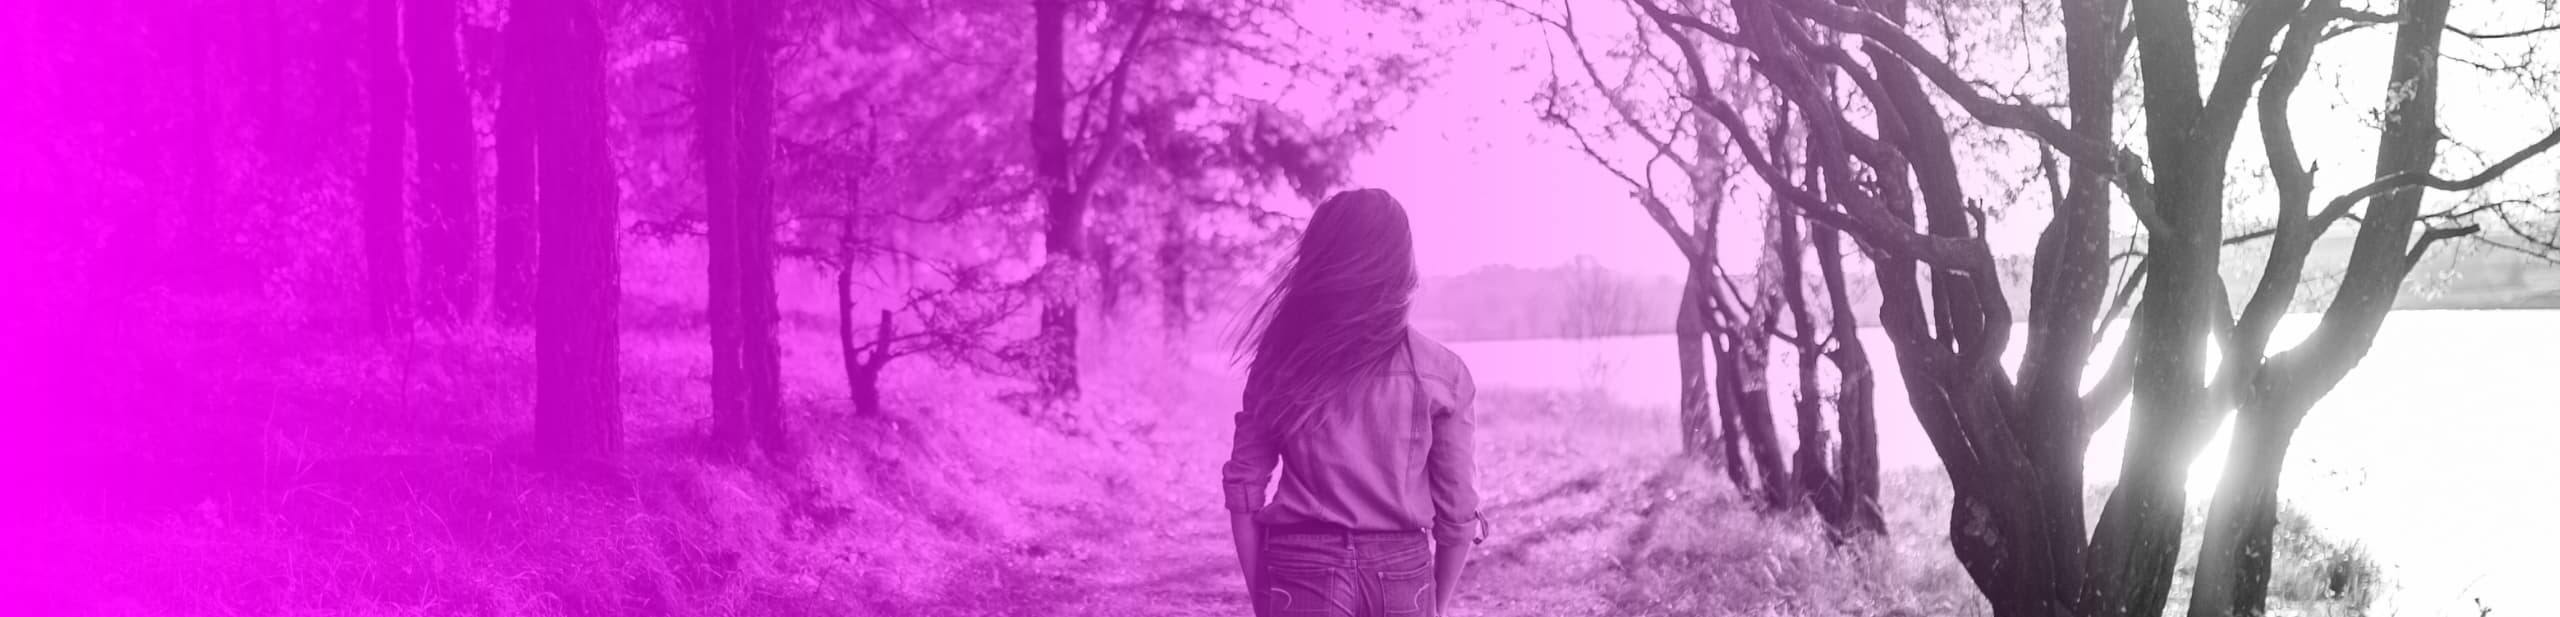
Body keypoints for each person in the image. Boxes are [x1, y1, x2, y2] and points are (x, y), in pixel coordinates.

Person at [1221, 188, 1485, 617]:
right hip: (1403, 573)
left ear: (1317, 262)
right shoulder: (1444, 373)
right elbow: (1458, 514)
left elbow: (1245, 491)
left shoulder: (1280, 361)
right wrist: (1434, 605)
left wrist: (1263, 597)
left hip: (1300, 568)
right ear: (1402, 266)